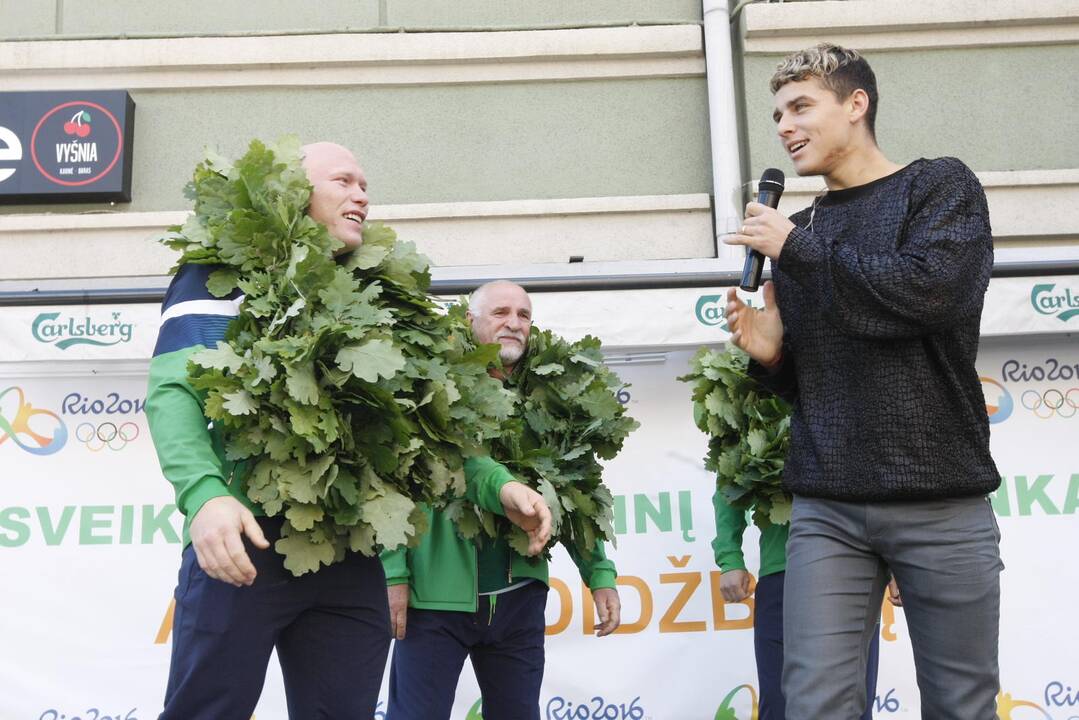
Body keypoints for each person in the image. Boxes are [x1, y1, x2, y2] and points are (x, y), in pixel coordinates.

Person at [146, 143, 553, 719]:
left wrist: (499, 486)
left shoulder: (385, 300)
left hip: (350, 552)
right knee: (207, 710)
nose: (362, 193)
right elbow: (173, 391)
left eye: (365, 184)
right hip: (244, 540)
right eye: (344, 181)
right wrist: (204, 496)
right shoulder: (219, 275)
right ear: (295, 193)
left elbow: (431, 433)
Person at [723, 44, 1003, 720]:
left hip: (940, 497)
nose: (784, 127)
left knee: (960, 704)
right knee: (814, 704)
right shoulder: (802, 232)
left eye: (799, 107)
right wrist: (772, 359)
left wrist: (794, 249)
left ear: (856, 105)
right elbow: (826, 378)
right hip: (827, 506)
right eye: (777, 115)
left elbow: (927, 296)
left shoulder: (936, 186)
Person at [382, 280, 621, 720]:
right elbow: (393, 486)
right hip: (433, 599)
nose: (514, 324)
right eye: (500, 313)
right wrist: (393, 573)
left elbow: (574, 490)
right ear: (470, 321)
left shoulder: (551, 398)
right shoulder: (428, 385)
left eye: (524, 315)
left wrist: (599, 573)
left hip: (518, 597)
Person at [713, 499, 879, 719]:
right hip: (783, 569)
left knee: (852, 705)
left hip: (856, 569)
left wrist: (898, 559)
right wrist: (729, 556)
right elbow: (730, 480)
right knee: (780, 706)